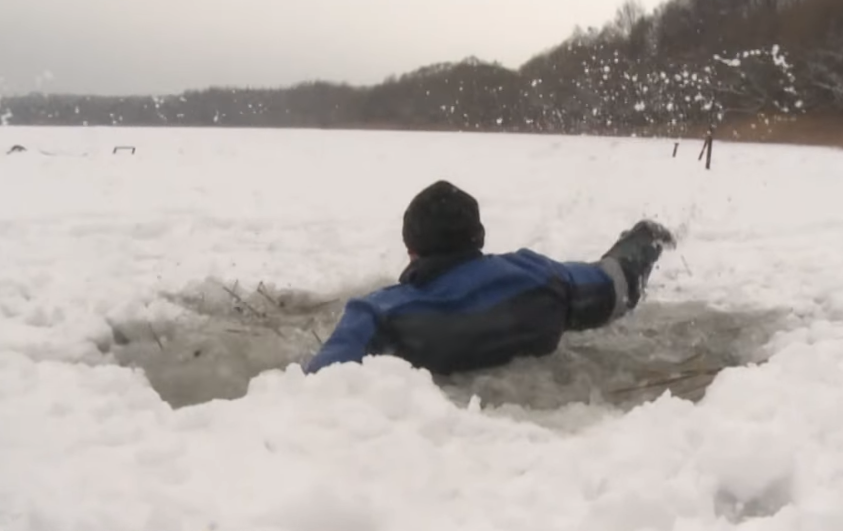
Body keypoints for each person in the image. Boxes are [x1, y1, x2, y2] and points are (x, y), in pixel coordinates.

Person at [304, 180, 675, 375]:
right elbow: (618, 285)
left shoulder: (378, 313)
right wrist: (646, 238)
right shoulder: (539, 276)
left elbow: (319, 394)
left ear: (410, 247)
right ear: (479, 237)